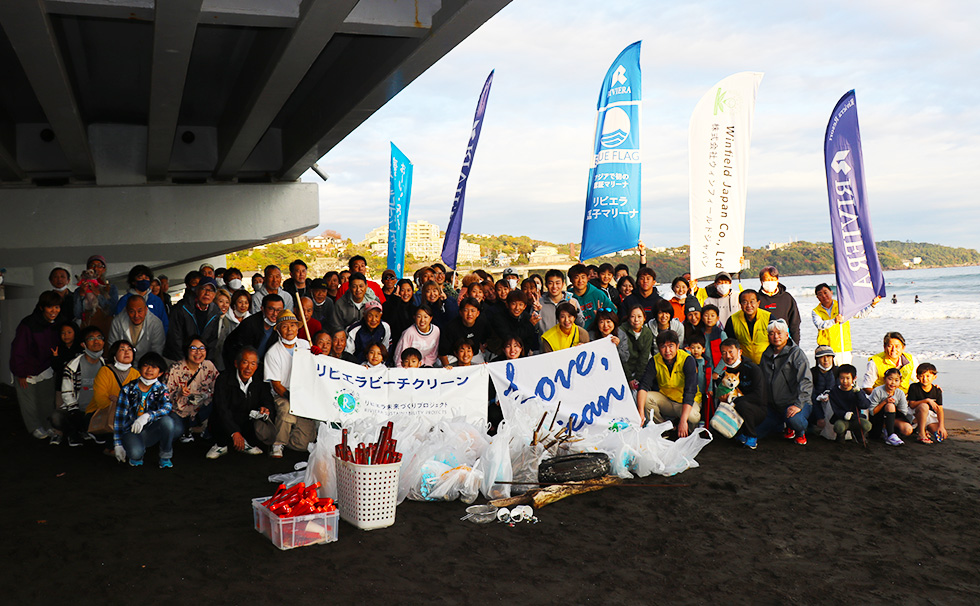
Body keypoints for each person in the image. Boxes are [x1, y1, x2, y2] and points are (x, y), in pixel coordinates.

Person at [10, 290, 62, 440]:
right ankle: (34, 426)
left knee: (46, 400)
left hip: (46, 367)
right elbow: (18, 350)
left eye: (57, 307)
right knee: (29, 401)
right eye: (50, 307)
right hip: (27, 369)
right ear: (41, 307)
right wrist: (20, 373)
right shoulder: (28, 324)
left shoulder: (58, 323)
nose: (54, 311)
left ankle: (47, 425)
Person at [113, 352, 179, 468]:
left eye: (154, 367)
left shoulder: (161, 388)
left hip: (151, 430)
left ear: (160, 372)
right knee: (135, 454)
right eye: (146, 365)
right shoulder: (128, 389)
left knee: (168, 421)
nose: (149, 370)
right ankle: (137, 450)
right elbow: (119, 419)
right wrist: (118, 444)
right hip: (131, 431)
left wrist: (147, 416)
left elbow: (167, 407)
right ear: (139, 368)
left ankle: (165, 456)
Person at [206, 347, 273, 459]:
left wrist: (266, 408)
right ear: (236, 364)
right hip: (227, 420)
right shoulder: (223, 379)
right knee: (218, 417)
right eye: (245, 362)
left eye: (252, 364)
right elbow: (221, 408)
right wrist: (234, 432)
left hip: (247, 419)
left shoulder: (260, 380)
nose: (248, 368)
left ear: (256, 366)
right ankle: (220, 445)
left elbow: (268, 399)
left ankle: (248, 443)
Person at [264, 309, 315, 457]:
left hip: (305, 393)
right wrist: (293, 397)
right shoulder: (273, 353)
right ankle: (278, 443)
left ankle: (290, 436)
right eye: (285, 326)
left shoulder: (306, 345)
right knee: (287, 409)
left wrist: (317, 356)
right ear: (278, 329)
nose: (289, 329)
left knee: (304, 444)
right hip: (284, 394)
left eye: (292, 325)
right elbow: (277, 385)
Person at [757, 319, 813, 445]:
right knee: (756, 431)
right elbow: (762, 381)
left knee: (795, 421)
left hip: (795, 403)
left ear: (787, 335)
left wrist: (798, 404)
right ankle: (782, 424)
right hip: (774, 406)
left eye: (779, 333)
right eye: (772, 333)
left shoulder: (796, 353)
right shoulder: (766, 354)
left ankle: (800, 431)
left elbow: (806, 381)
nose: (776, 336)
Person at [636, 330, 701, 436]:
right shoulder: (654, 361)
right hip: (667, 400)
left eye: (671, 346)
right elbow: (643, 386)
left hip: (686, 402)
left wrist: (683, 420)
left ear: (677, 346)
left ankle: (689, 433)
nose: (667, 350)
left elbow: (690, 391)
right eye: (663, 346)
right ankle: (664, 429)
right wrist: (641, 413)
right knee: (647, 398)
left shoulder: (687, 360)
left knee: (693, 417)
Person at [51, 326, 106, 446]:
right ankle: (74, 432)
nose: (96, 341)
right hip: (76, 410)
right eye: (91, 338)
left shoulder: (105, 365)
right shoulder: (73, 366)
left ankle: (90, 430)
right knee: (56, 417)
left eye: (99, 338)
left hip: (96, 411)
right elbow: (66, 392)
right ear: (83, 344)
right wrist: (74, 411)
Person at [716, 339, 768, 450]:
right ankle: (739, 433)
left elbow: (759, 397)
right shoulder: (725, 372)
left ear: (739, 352)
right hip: (736, 407)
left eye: (731, 352)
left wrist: (737, 400)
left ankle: (751, 437)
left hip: (757, 409)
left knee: (741, 404)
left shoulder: (753, 369)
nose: (728, 356)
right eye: (724, 353)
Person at [166, 336, 219, 443]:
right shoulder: (175, 369)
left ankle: (197, 428)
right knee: (175, 432)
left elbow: (219, 389)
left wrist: (206, 396)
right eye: (193, 348)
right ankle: (188, 429)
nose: (198, 352)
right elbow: (164, 397)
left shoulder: (209, 366)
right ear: (187, 350)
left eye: (202, 348)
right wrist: (179, 393)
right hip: (179, 412)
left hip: (201, 410)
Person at [811, 283, 879, 365]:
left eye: (826, 292)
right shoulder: (816, 311)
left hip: (843, 348)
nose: (824, 296)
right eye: (820, 294)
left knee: (844, 375)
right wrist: (834, 321)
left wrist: (872, 305)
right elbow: (820, 325)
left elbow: (860, 314)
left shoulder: (842, 306)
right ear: (817, 297)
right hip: (825, 349)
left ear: (831, 292)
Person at [90, 340, 141, 441]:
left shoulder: (136, 374)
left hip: (125, 414)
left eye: (129, 350)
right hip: (102, 413)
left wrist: (119, 401)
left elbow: (138, 399)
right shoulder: (104, 371)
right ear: (114, 355)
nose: (127, 352)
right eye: (122, 349)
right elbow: (101, 399)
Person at [165, 277, 222, 363]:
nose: (207, 293)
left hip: (201, 361)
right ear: (197, 290)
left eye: (211, 290)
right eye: (204, 289)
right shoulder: (182, 308)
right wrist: (185, 362)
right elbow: (175, 338)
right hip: (179, 359)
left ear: (214, 295)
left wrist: (204, 362)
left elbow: (212, 341)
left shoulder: (215, 312)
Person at [223, 294, 285, 370]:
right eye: (271, 309)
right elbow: (238, 350)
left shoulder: (280, 326)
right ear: (262, 308)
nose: (275, 314)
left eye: (279, 310)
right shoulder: (249, 324)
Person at [114, 265, 169, 332]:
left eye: (146, 277)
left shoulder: (156, 301)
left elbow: (164, 323)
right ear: (133, 281)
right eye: (140, 277)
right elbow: (118, 325)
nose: (144, 280)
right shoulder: (124, 301)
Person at [827, 364, 872, 444]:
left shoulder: (857, 391)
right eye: (842, 378)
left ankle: (859, 435)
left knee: (867, 425)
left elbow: (865, 405)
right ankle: (840, 437)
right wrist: (844, 414)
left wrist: (858, 393)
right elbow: (835, 409)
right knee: (838, 427)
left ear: (854, 378)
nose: (844, 381)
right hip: (841, 419)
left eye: (848, 378)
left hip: (856, 418)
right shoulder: (834, 392)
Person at [438, 297, 490, 367]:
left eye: (473, 311)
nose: (469, 314)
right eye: (466, 310)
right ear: (460, 312)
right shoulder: (451, 327)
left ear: (478, 313)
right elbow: (442, 354)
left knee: (483, 369)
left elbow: (485, 338)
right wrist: (447, 368)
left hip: (473, 355)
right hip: (453, 357)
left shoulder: (482, 323)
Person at [756, 266, 801, 345]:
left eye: (773, 279)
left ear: (777, 280)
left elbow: (795, 324)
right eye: (767, 280)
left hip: (783, 343)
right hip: (762, 343)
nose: (770, 282)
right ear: (761, 281)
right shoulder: (756, 299)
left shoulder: (787, 298)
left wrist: (795, 345)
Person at [868, 368, 913, 446]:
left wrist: (893, 411)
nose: (893, 383)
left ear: (900, 381)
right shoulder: (877, 391)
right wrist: (885, 402)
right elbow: (872, 412)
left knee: (908, 430)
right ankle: (890, 435)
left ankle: (888, 429)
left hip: (892, 418)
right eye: (890, 379)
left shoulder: (900, 393)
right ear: (885, 379)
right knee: (890, 406)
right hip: (877, 419)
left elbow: (904, 412)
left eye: (896, 380)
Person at [488, 291, 541, 357]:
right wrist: (529, 325)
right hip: (501, 355)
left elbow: (529, 340)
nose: (517, 308)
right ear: (507, 305)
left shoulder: (527, 317)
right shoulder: (499, 318)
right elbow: (509, 338)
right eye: (514, 304)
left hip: (522, 355)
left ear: (525, 306)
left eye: (520, 304)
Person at [724, 289, 771, 365]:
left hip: (767, 363)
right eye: (745, 302)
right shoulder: (732, 320)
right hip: (745, 364)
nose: (749, 305)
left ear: (758, 303)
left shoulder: (768, 317)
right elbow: (730, 344)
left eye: (752, 302)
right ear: (740, 304)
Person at [73, 255, 118, 327]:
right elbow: (77, 314)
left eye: (99, 266)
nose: (95, 268)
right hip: (87, 327)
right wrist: (81, 294)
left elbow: (111, 310)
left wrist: (98, 294)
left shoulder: (111, 288)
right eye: (92, 265)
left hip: (105, 327)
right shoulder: (79, 289)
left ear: (104, 269)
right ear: (88, 269)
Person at [907, 363, 946, 444]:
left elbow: (940, 410)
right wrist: (927, 400)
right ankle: (921, 434)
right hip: (914, 413)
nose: (924, 379)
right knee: (924, 406)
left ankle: (923, 428)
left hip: (928, 415)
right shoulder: (914, 387)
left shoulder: (937, 391)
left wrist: (941, 426)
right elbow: (912, 404)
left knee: (940, 434)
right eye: (921, 376)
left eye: (928, 376)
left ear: (934, 377)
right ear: (917, 377)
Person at [567, 263, 613, 331]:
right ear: (571, 280)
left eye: (583, 277)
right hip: (575, 334)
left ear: (588, 278)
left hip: (596, 334)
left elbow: (614, 312)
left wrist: (602, 314)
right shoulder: (568, 297)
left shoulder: (598, 294)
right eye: (576, 277)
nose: (580, 281)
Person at [537, 269, 583, 334]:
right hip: (547, 343)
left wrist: (576, 311)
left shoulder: (572, 301)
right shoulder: (539, 303)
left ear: (563, 284)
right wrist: (536, 311)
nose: (554, 286)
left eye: (557, 283)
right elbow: (534, 328)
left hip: (569, 343)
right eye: (551, 283)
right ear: (546, 285)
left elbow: (581, 325)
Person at [620, 305, 653, 392]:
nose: (636, 320)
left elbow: (644, 358)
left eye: (639, 316)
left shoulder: (647, 333)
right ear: (628, 318)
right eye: (632, 316)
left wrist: (637, 379)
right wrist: (630, 378)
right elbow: (622, 358)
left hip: (639, 371)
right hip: (624, 370)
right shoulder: (621, 331)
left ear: (644, 318)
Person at [810, 345, 838, 440]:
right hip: (816, 406)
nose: (826, 360)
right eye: (822, 357)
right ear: (817, 359)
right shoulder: (812, 373)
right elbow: (811, 396)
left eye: (829, 356)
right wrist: (819, 417)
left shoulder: (838, 372)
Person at [383, 278, 417, 346]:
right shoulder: (390, 305)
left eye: (408, 290)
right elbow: (389, 321)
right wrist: (395, 301)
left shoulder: (415, 308)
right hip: (395, 343)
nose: (406, 293)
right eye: (402, 290)